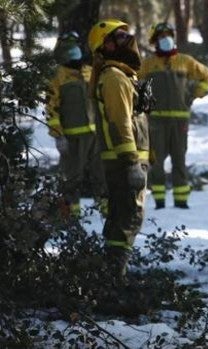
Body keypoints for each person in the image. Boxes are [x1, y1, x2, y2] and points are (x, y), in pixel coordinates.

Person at [87, 19, 150, 281]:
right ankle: (115, 278)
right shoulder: (114, 78)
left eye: (126, 34)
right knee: (127, 219)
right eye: (119, 36)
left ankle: (110, 274)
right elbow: (121, 122)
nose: (127, 40)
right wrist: (131, 162)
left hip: (126, 160)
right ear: (106, 46)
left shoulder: (121, 75)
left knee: (120, 217)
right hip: (123, 162)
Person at [139, 22, 208, 209]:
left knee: (179, 160)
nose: (165, 39)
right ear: (155, 41)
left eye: (168, 34)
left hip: (180, 120)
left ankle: (181, 201)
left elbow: (207, 76)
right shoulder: (147, 64)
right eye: (161, 36)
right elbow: (134, 84)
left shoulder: (185, 61)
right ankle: (159, 201)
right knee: (156, 163)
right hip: (156, 121)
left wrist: (194, 94)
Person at [46, 31, 107, 218]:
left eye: (75, 46)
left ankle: (106, 208)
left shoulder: (90, 72)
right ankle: (71, 214)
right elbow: (51, 107)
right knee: (72, 177)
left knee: (101, 173)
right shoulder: (57, 76)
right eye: (67, 47)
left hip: (95, 134)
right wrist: (58, 135)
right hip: (72, 137)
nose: (72, 50)